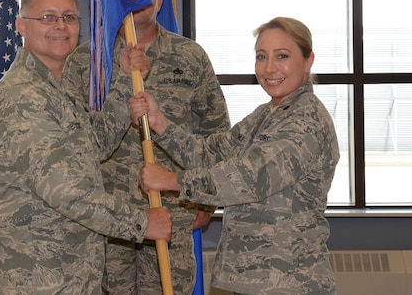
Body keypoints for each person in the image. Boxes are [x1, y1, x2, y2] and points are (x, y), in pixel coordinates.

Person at [0, 0, 172, 295]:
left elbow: (92, 146)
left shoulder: (56, 87)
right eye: (47, 17)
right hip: (37, 279)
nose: (60, 26)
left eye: (69, 17)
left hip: (73, 275)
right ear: (21, 25)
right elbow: (66, 191)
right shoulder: (22, 96)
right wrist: (141, 223)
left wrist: (126, 81)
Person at [135, 16, 340, 294]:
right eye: (261, 56)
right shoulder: (267, 114)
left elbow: (249, 178)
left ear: (308, 61)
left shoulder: (306, 121)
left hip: (289, 280)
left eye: (283, 56)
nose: (269, 68)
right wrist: (160, 123)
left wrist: (172, 181)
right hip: (252, 280)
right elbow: (212, 153)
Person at [66, 0, 231, 294]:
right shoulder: (87, 62)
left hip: (172, 215)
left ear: (158, 0)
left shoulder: (190, 57)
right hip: (107, 220)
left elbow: (218, 134)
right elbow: (74, 144)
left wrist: (207, 200)